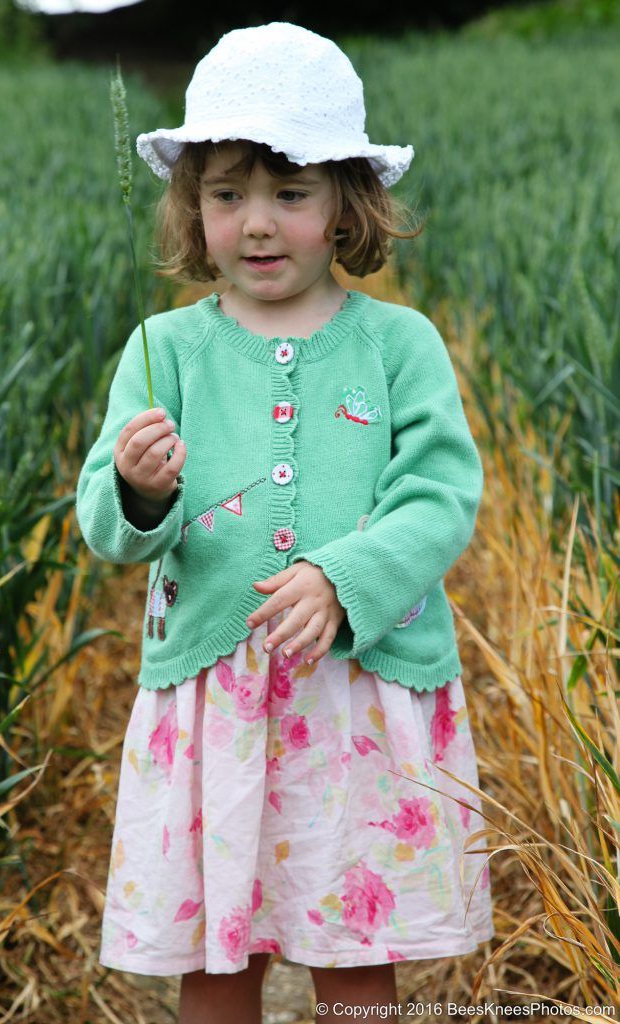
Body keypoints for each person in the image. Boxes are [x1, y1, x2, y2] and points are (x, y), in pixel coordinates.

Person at [75, 21, 495, 1024]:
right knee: (221, 957)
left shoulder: (399, 344)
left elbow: (439, 491)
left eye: (290, 194)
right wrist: (139, 489)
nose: (256, 223)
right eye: (227, 194)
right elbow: (105, 520)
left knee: (357, 937)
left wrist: (344, 578)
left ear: (346, 205)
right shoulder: (163, 350)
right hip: (215, 703)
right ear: (194, 207)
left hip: (356, 696)